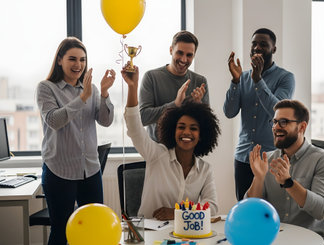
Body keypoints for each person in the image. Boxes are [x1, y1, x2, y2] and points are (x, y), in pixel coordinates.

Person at [36, 37, 115, 245]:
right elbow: (54, 120)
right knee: (61, 232)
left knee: (95, 228)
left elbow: (106, 121)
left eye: (82, 59)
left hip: (90, 170)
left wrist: (104, 93)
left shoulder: (92, 89)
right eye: (72, 59)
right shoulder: (46, 88)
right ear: (60, 60)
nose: (78, 65)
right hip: (59, 171)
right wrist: (82, 98)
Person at [122, 65, 219, 220]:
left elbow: (212, 207)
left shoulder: (205, 170)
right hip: (150, 234)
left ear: (201, 135)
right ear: (173, 131)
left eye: (193, 128)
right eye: (181, 127)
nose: (186, 132)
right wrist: (132, 87)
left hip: (185, 236)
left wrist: (177, 213)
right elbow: (134, 128)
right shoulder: (156, 155)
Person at [246, 99, 324, 244]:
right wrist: (258, 178)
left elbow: (321, 211)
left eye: (283, 122)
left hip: (310, 240)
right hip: (273, 239)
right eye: (274, 122)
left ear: (302, 127)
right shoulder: (267, 160)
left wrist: (288, 183)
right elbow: (250, 211)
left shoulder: (323, 160)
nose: (276, 127)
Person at [224, 28, 295, 201]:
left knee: (270, 208)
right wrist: (235, 81)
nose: (257, 47)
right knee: (244, 206)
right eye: (254, 43)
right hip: (243, 157)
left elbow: (277, 111)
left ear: (274, 49)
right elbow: (229, 112)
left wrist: (258, 80)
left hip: (270, 159)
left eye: (263, 44)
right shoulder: (243, 77)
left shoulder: (285, 78)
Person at [140, 30, 209, 142]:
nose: (184, 59)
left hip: (188, 151)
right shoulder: (151, 77)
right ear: (171, 50)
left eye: (189, 55)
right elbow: (143, 118)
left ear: (194, 55)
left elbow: (207, 126)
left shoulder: (200, 81)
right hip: (157, 151)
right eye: (180, 53)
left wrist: (198, 106)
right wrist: (175, 104)